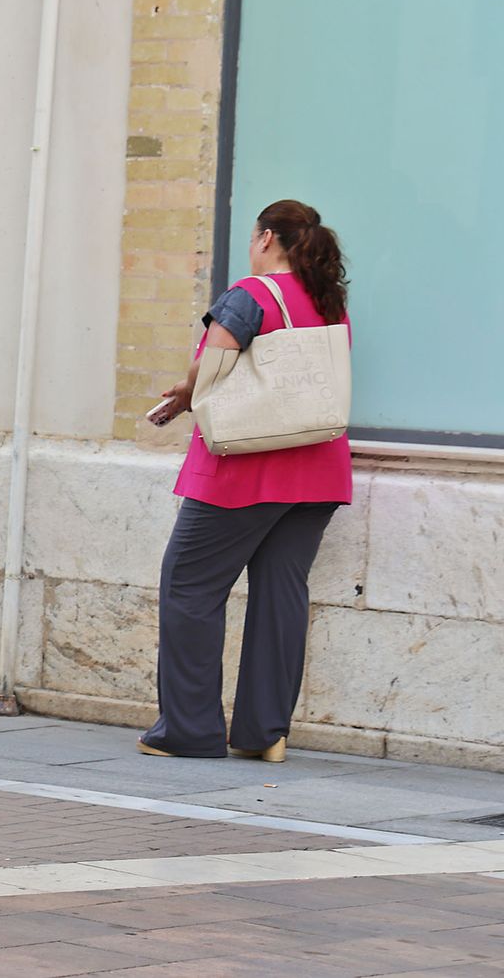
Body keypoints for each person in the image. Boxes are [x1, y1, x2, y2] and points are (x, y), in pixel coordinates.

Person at [137, 199, 352, 764]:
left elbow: (213, 365)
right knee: (282, 594)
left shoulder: (249, 295)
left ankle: (189, 730)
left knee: (189, 586)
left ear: (266, 239)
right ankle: (266, 733)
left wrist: (185, 392)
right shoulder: (328, 300)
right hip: (318, 469)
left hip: (245, 469)